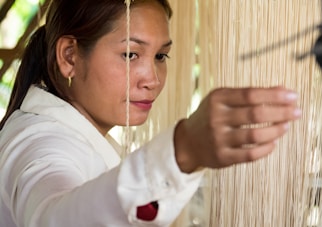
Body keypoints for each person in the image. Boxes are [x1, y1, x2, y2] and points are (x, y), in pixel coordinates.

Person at [0, 0, 301, 226]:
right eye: (130, 54)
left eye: (160, 56)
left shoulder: (69, 134)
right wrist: (182, 151)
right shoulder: (41, 142)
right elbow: (54, 218)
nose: (153, 79)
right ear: (69, 57)